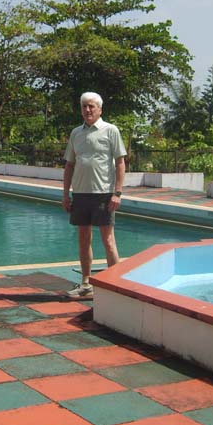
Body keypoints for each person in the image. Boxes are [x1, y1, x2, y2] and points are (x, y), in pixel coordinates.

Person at [62, 92, 126, 298]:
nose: (87, 110)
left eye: (91, 106)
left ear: (100, 109)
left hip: (104, 194)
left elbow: (120, 163)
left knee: (108, 240)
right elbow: (69, 165)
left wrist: (117, 193)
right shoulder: (76, 133)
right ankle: (86, 283)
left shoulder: (111, 131)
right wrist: (65, 194)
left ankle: (116, 285)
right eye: (84, 106)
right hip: (80, 194)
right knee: (83, 239)